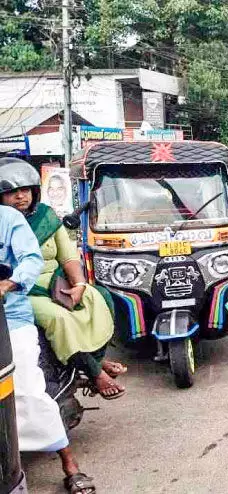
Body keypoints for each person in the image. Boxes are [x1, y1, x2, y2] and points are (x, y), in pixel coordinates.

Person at [0, 160, 125, 401]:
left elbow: (68, 257)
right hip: (24, 291)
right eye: (11, 192)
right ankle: (95, 373)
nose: (20, 197)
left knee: (99, 297)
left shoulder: (46, 216)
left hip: (55, 283)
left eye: (24, 190)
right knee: (60, 320)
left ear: (34, 192)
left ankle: (96, 359)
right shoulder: (5, 224)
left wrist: (78, 285)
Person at [0, 202, 95, 493]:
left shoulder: (9, 219)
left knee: (27, 386)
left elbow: (30, 259)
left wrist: (9, 284)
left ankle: (69, 463)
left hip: (9, 317)